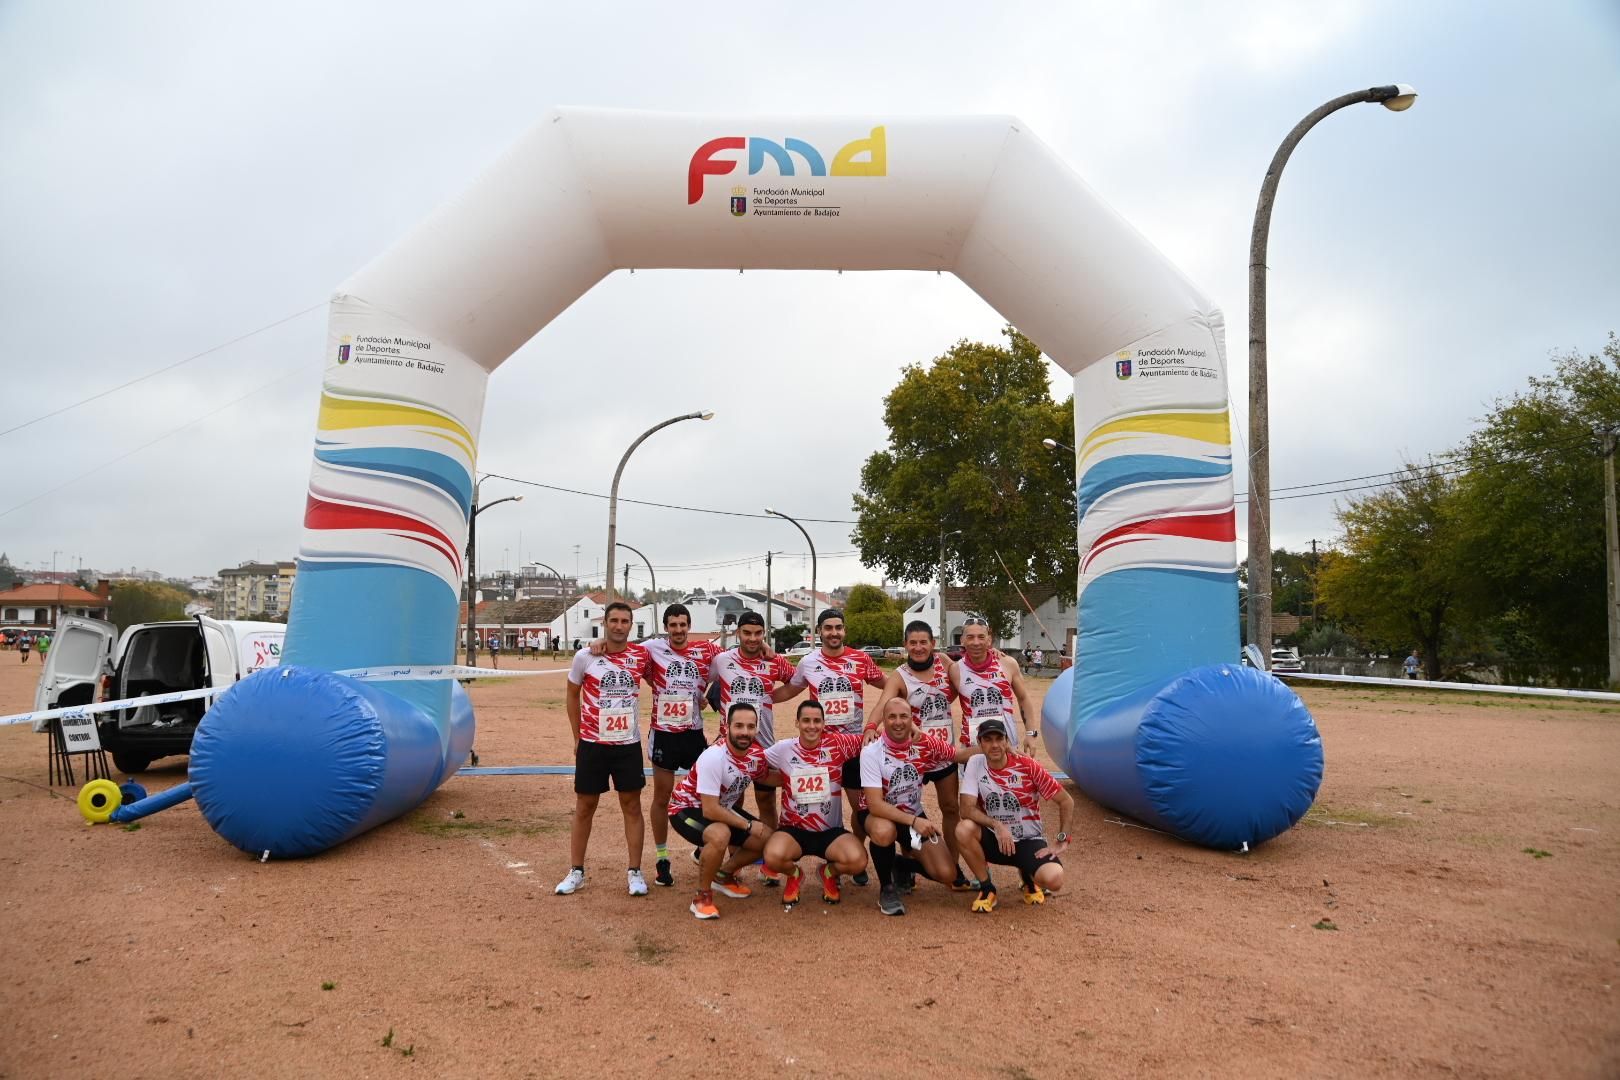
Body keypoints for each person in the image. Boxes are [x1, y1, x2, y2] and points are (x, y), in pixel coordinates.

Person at [556, 602, 651, 898]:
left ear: (631, 625)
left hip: (627, 744)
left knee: (632, 806)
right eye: (614, 620)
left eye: (625, 621)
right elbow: (572, 696)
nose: (619, 626)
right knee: (585, 806)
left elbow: (672, 661)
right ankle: (576, 871)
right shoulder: (585, 656)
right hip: (592, 744)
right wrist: (576, 737)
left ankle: (635, 872)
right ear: (605, 623)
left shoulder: (641, 655)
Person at [788, 608, 887, 885]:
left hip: (855, 747)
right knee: (824, 808)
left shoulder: (860, 659)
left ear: (844, 630)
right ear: (819, 631)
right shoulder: (808, 662)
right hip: (822, 749)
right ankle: (832, 859)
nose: (834, 632)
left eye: (838, 627)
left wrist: (878, 722)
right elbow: (790, 690)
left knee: (860, 809)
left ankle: (852, 856)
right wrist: (755, 698)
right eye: (828, 628)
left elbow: (890, 687)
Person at [876, 620, 975, 891]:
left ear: (933, 643)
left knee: (951, 808)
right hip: (911, 755)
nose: (918, 647)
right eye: (913, 642)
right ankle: (906, 863)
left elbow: (973, 671)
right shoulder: (899, 675)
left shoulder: (945, 663)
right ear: (905, 645)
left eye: (924, 642)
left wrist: (995, 655)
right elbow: (883, 703)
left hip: (944, 753)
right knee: (904, 806)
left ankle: (953, 868)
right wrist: (871, 728)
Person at [634, 603, 721, 888]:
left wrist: (709, 694)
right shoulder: (652, 648)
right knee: (662, 795)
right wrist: (598, 644)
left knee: (705, 794)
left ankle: (703, 846)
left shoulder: (706, 651)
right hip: (664, 734)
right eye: (673, 625)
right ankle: (662, 858)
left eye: (683, 624)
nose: (679, 630)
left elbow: (738, 658)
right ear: (666, 627)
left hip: (693, 733)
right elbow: (623, 650)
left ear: (689, 625)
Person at [860, 697, 971, 916]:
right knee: (884, 832)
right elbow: (875, 805)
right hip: (881, 815)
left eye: (903, 716)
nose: (898, 722)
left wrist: (994, 749)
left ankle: (900, 865)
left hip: (911, 814)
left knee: (947, 873)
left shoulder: (924, 743)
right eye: (891, 716)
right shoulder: (872, 752)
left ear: (912, 719)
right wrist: (915, 821)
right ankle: (887, 888)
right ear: (883, 720)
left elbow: (957, 755)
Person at [667, 703, 778, 919]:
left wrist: (803, 774)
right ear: (727, 727)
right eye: (738, 726)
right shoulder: (714, 756)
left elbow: (767, 778)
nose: (745, 732)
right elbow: (710, 810)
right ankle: (702, 897)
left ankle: (723, 875)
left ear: (756, 729)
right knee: (721, 835)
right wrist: (747, 825)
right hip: (685, 809)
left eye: (750, 726)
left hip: (720, 809)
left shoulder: (755, 754)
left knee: (768, 838)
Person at [956, 717, 1074, 912]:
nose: (994, 745)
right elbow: (966, 809)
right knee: (963, 829)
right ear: (980, 743)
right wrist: (997, 825)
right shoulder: (975, 763)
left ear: (1006, 741)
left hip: (1028, 840)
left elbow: (1066, 801)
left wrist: (1062, 839)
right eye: (988, 740)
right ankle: (987, 888)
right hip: (995, 839)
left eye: (999, 739)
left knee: (1054, 880)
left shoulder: (1027, 765)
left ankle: (1028, 875)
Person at [707, 612, 798, 859]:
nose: (752, 638)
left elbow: (796, 681)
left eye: (758, 633)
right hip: (731, 746)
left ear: (764, 634)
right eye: (747, 633)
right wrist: (700, 698)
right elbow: (701, 678)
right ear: (738, 633)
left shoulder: (774, 661)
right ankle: (734, 857)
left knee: (766, 801)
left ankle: (771, 860)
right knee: (731, 802)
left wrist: (773, 697)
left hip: (764, 745)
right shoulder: (722, 660)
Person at [762, 699, 869, 906]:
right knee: (773, 856)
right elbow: (754, 762)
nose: (812, 726)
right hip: (793, 830)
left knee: (858, 861)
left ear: (824, 723)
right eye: (806, 721)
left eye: (817, 721)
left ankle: (828, 872)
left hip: (829, 831)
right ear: (797, 723)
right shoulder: (783, 749)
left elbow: (873, 741)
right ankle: (794, 874)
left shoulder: (838, 743)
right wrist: (781, 779)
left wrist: (877, 729)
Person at [951, 615, 1036, 750]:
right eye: (970, 637)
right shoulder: (955, 670)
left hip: (1006, 744)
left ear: (989, 640)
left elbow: (1023, 698)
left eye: (981, 637)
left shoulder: (1007, 663)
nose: (976, 642)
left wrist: (1031, 733)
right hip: (973, 747)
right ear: (962, 640)